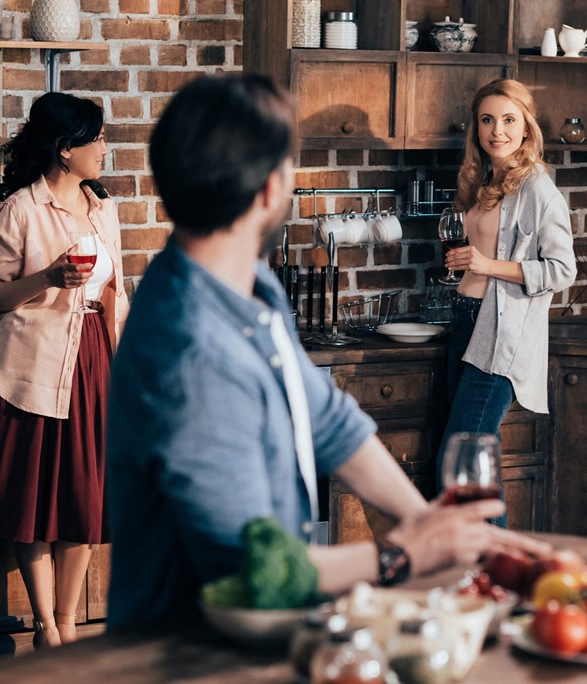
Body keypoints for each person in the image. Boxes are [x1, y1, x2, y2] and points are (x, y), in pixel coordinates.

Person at [104, 74, 550, 630]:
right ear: (269, 189)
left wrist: (439, 526)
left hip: (264, 634)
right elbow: (249, 570)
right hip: (188, 652)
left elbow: (329, 423)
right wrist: (402, 554)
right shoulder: (190, 348)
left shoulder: (249, 286)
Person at [0, 92, 129, 649]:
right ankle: (45, 627)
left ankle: (67, 622)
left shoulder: (103, 207)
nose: (106, 149)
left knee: (83, 497)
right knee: (33, 502)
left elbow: (114, 292)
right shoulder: (21, 209)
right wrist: (47, 279)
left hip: (93, 361)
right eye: (99, 139)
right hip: (29, 369)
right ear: (65, 149)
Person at [438, 79, 576, 518]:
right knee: (478, 459)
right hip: (465, 319)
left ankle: (489, 566)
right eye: (487, 120)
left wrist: (485, 265)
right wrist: (466, 264)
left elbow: (562, 270)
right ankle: (492, 569)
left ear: (526, 128)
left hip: (501, 335)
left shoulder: (538, 189)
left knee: (461, 459)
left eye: (509, 120)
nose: (497, 130)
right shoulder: (485, 181)